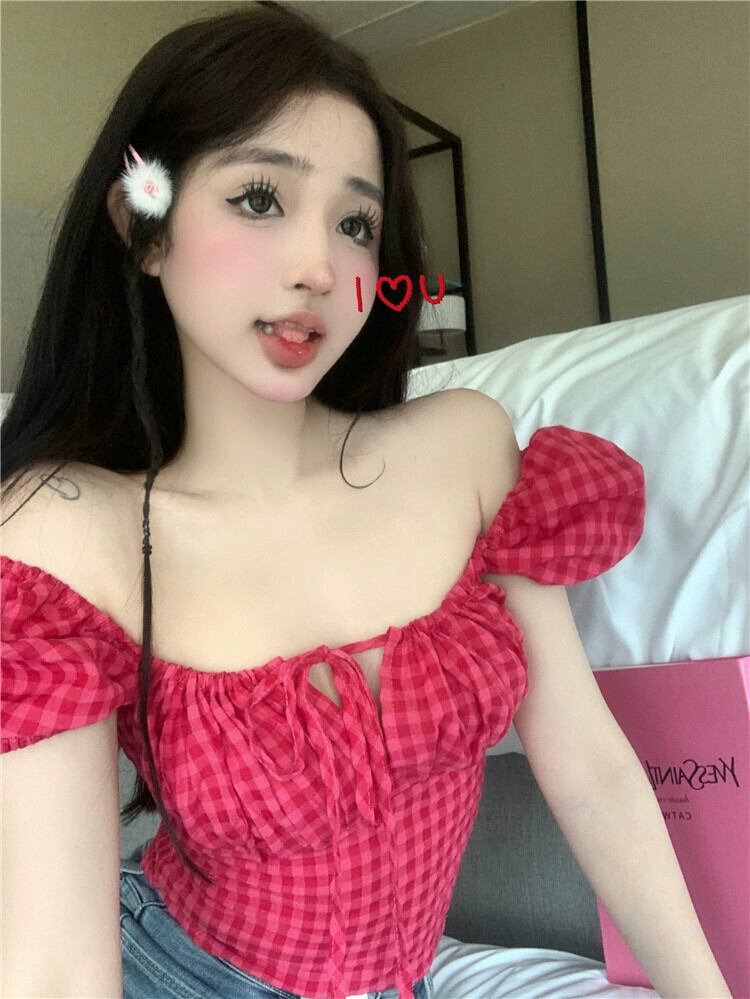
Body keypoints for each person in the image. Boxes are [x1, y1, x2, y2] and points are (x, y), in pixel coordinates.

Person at [1, 4, 658, 999]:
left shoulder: (464, 448)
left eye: (356, 223)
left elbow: (594, 772)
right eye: (259, 198)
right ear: (144, 229)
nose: (319, 267)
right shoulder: (62, 534)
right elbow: (54, 968)